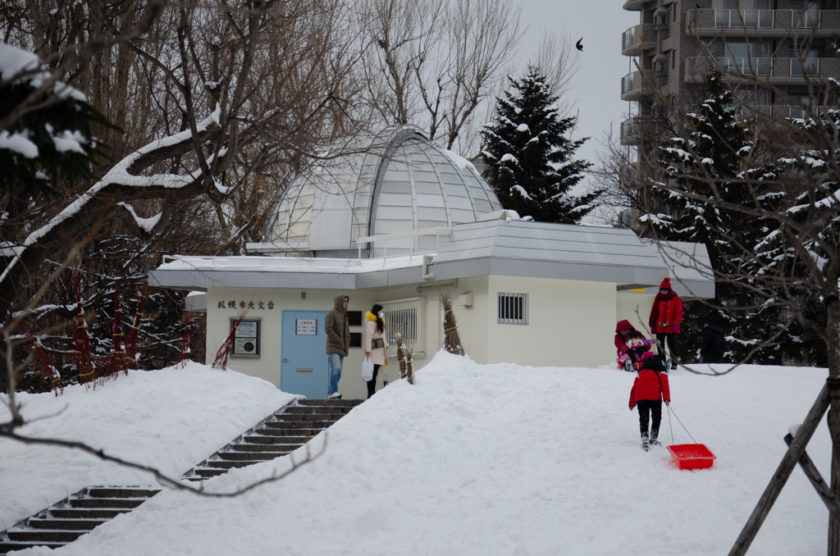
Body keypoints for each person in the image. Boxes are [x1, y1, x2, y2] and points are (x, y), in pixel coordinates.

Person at [628, 354, 671, 451]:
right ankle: (653, 438)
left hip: (641, 398)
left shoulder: (641, 372)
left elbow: (634, 389)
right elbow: (665, 384)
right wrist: (666, 398)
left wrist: (632, 403)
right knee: (656, 417)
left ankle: (645, 440)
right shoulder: (661, 370)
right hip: (654, 397)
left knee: (644, 418)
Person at [649, 277, 683, 370]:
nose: (663, 292)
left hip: (671, 327)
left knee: (671, 345)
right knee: (660, 345)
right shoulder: (658, 299)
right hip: (660, 326)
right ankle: (662, 362)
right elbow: (654, 312)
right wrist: (652, 324)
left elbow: (679, 312)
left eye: (665, 290)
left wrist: (676, 324)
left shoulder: (675, 299)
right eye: (661, 290)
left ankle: (674, 363)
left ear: (669, 290)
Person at [325, 294, 350, 399]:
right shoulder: (331, 313)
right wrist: (339, 340)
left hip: (342, 348)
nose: (346, 303)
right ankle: (334, 391)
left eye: (347, 301)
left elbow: (347, 333)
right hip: (333, 347)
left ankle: (330, 393)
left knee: (339, 373)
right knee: (336, 368)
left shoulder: (345, 315)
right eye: (344, 301)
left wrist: (346, 345)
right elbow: (328, 329)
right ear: (339, 302)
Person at [362, 304, 389, 398]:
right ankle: (370, 392)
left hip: (379, 351)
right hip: (373, 352)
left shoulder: (380, 322)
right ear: (377, 311)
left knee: (375, 373)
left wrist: (386, 344)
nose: (382, 313)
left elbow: (381, 336)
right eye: (381, 311)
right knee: (371, 373)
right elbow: (368, 336)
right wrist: (368, 350)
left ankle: (372, 392)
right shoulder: (371, 323)